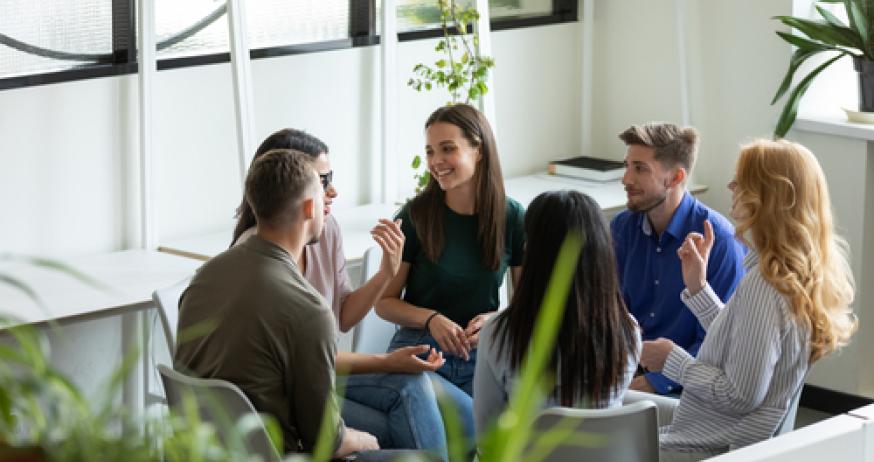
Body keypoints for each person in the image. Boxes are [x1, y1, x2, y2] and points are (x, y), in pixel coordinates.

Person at [232, 128, 448, 456]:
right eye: (323, 179)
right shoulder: (258, 257)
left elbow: (343, 317)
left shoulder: (325, 228)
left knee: (411, 390)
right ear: (291, 188)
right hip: (293, 393)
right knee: (400, 420)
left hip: (324, 375)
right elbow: (302, 365)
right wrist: (386, 361)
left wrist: (385, 275)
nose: (333, 190)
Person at [640, 139, 857, 461]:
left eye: (741, 179)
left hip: (704, 449)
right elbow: (748, 343)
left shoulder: (765, 286)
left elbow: (738, 395)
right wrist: (699, 288)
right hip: (714, 439)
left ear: (767, 196)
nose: (731, 185)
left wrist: (671, 359)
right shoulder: (790, 276)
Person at [175, 149, 378, 457]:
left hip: (206, 451)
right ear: (311, 207)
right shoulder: (309, 310)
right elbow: (326, 442)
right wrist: (366, 440)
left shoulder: (204, 277)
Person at [376, 104, 526, 441]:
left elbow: (528, 303)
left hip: (482, 356)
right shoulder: (416, 215)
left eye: (448, 149)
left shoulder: (512, 216)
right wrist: (431, 319)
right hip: (421, 353)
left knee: (497, 435)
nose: (435, 162)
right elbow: (384, 303)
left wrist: (496, 319)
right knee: (466, 431)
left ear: (479, 151)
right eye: (430, 151)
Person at [473, 190, 641, 438]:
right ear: (602, 254)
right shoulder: (628, 332)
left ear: (534, 253)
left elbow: (487, 436)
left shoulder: (500, 334)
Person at [611, 122, 746, 395]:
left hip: (689, 388)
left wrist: (657, 383)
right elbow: (614, 313)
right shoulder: (622, 228)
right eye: (626, 166)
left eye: (640, 168)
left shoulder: (720, 241)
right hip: (629, 374)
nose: (626, 179)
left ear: (675, 178)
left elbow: (717, 341)